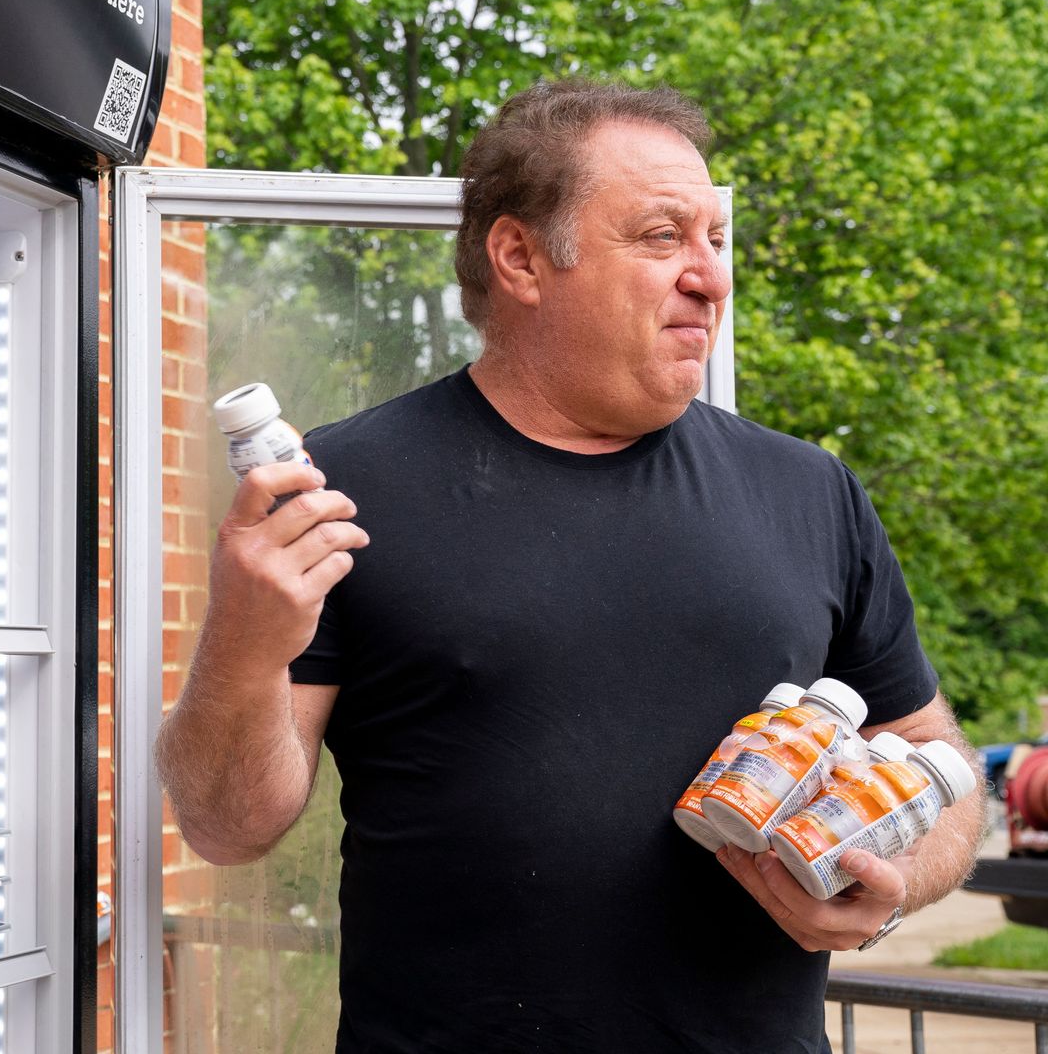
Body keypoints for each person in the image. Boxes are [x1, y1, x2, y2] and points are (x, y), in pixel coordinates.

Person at [156, 79, 984, 1052]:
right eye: (661, 237)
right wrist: (245, 644)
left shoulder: (809, 492)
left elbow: (949, 773)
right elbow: (225, 825)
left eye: (715, 239)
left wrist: (884, 885)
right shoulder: (344, 488)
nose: (710, 276)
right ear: (520, 257)